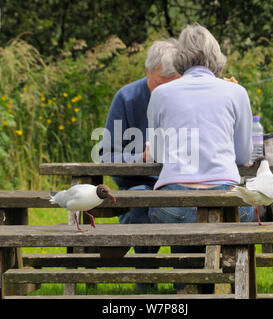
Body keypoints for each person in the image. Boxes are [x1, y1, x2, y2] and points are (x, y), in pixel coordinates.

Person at [146, 23, 255, 293]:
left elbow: (157, 156)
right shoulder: (236, 92)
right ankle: (223, 283)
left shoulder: (160, 94)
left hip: (172, 208)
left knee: (178, 207)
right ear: (216, 56)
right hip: (229, 204)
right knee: (235, 210)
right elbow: (244, 155)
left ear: (180, 57)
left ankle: (185, 287)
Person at [98, 40, 180, 290]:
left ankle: (187, 279)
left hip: (180, 183)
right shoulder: (127, 97)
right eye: (159, 85)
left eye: (173, 84)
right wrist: (139, 158)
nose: (166, 92)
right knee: (141, 202)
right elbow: (106, 155)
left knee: (187, 205)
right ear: (147, 73)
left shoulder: (187, 97)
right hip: (138, 185)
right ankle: (145, 279)